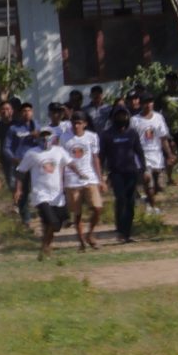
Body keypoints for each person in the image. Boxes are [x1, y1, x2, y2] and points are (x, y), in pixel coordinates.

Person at [16, 126, 72, 257]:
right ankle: (45, 247)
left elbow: (70, 163)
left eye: (48, 135)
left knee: (53, 225)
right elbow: (20, 172)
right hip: (40, 195)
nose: (45, 137)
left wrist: (79, 174)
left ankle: (45, 246)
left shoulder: (59, 151)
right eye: (43, 135)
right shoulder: (32, 153)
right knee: (52, 222)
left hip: (57, 196)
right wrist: (18, 190)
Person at [59, 103, 106, 252]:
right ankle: (81, 242)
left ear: (84, 124)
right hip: (71, 179)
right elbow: (61, 160)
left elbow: (95, 158)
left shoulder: (92, 137)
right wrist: (60, 182)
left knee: (97, 208)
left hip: (90, 177)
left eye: (79, 123)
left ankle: (90, 234)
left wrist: (100, 179)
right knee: (77, 214)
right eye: (74, 122)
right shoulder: (65, 138)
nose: (76, 126)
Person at [100, 107, 145, 244]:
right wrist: (101, 175)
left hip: (131, 172)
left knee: (131, 203)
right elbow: (102, 156)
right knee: (121, 199)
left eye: (124, 116)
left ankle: (127, 233)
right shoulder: (107, 135)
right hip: (116, 173)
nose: (122, 118)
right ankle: (120, 230)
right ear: (113, 118)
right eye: (119, 116)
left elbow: (139, 152)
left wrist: (144, 169)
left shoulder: (132, 133)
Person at [128, 92, 174, 210]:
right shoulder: (135, 120)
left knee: (160, 186)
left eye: (150, 102)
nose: (148, 105)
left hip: (157, 156)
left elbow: (163, 138)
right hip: (143, 156)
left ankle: (146, 200)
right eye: (145, 102)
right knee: (148, 182)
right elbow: (131, 140)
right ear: (141, 104)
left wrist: (169, 154)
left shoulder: (158, 117)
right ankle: (153, 207)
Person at [0, 99, 39, 218]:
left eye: (29, 110)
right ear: (20, 113)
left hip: (35, 164)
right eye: (24, 111)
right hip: (20, 164)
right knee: (22, 191)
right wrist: (14, 159)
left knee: (38, 189)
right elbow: (6, 147)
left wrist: (39, 138)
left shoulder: (37, 126)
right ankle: (26, 219)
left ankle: (41, 214)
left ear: (32, 112)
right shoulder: (14, 129)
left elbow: (43, 145)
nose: (27, 113)